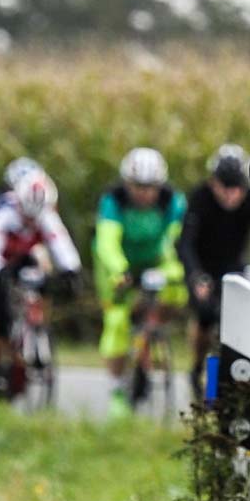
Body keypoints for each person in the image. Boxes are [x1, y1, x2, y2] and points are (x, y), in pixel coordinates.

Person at [0, 166, 84, 397]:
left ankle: (35, 334)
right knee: (1, 322)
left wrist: (71, 270)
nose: (30, 220)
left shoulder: (46, 216)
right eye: (26, 214)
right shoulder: (3, 214)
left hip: (25, 260)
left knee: (42, 277)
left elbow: (60, 242)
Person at [95, 147, 188, 415]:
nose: (144, 194)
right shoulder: (114, 201)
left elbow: (174, 240)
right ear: (127, 184)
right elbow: (107, 241)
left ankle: (150, 331)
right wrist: (119, 269)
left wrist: (169, 271)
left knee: (177, 290)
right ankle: (116, 389)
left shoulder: (172, 201)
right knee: (116, 323)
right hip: (120, 265)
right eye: (138, 187)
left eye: (150, 187)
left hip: (155, 263)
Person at [177, 144, 250, 376]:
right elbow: (185, 243)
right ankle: (197, 365)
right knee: (205, 315)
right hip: (202, 268)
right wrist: (195, 276)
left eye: (237, 188)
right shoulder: (200, 198)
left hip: (233, 267)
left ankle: (235, 372)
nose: (230, 194)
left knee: (241, 318)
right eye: (224, 186)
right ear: (213, 182)